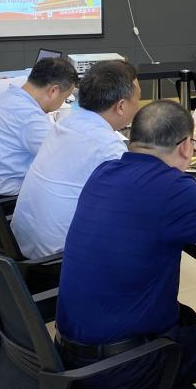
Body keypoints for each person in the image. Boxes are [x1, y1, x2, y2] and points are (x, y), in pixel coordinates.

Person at [55, 101, 196, 389]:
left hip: (70, 354)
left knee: (186, 317)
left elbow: (145, 202)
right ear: (185, 146)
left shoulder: (105, 171)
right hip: (121, 370)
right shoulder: (173, 188)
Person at [11, 59, 139, 258]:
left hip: (23, 243)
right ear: (121, 106)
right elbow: (132, 205)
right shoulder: (108, 147)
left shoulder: (66, 123)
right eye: (137, 100)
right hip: (56, 259)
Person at [0, 57, 78, 197]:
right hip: (6, 195)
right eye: (64, 98)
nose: (61, 103)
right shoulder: (30, 116)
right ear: (53, 91)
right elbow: (63, 160)